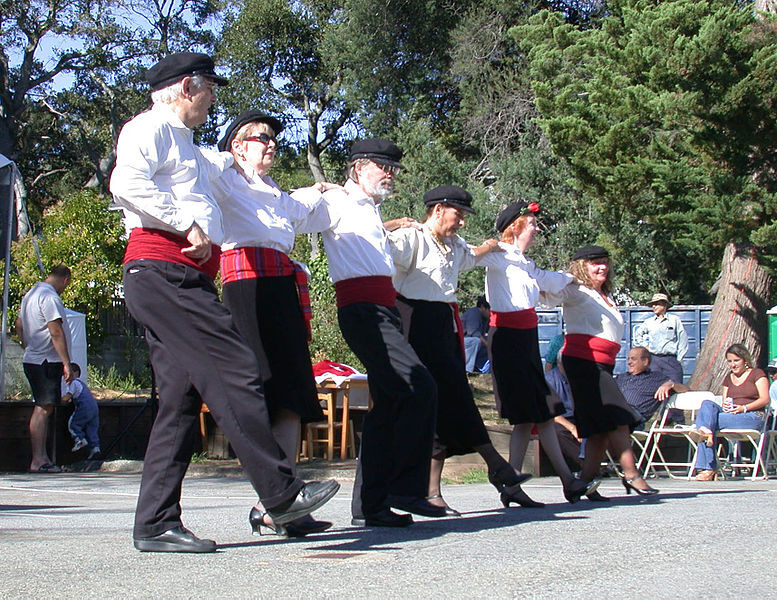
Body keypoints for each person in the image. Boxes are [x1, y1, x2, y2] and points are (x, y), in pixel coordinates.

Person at [109, 52, 338, 553]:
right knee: (235, 364)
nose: (214, 101)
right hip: (161, 269)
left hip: (180, 274)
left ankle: (155, 523)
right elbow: (124, 184)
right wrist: (184, 222)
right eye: (211, 89)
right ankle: (280, 494)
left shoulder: (187, 146)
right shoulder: (148, 127)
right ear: (189, 85)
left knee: (181, 400)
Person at [212, 110, 341, 537]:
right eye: (260, 138)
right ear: (236, 146)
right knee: (258, 388)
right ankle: (277, 499)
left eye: (273, 139)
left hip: (281, 285)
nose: (270, 144)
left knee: (292, 392)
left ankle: (281, 505)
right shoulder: (225, 179)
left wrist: (324, 189)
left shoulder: (275, 192)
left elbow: (303, 208)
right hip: (246, 287)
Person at [317, 138, 440, 528]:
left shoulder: (369, 210)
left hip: (382, 309)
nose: (390, 174)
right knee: (419, 385)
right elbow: (294, 211)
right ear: (357, 168)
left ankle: (371, 505)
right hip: (362, 310)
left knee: (388, 402)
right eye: (381, 167)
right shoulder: (336, 201)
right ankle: (404, 489)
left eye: (393, 169)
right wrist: (315, 189)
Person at [388, 185, 533, 514]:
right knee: (449, 397)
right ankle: (496, 466)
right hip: (415, 324)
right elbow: (377, 252)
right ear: (438, 210)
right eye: (458, 215)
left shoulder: (452, 245)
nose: (462, 223)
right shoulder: (412, 238)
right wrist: (386, 226)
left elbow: (473, 255)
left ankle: (440, 488)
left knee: (450, 398)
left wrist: (494, 245)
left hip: (442, 325)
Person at [479, 202, 596, 506]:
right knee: (534, 411)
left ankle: (516, 483)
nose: (536, 229)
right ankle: (564, 482)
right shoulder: (498, 256)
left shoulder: (525, 263)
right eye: (531, 223)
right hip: (507, 338)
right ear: (515, 227)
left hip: (526, 337)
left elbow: (549, 280)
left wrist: (576, 276)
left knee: (537, 413)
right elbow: (468, 256)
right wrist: (487, 245)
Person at [544, 245, 658, 496]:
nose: (602, 267)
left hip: (603, 363)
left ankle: (584, 483)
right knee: (618, 416)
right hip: (584, 362)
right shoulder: (574, 289)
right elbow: (545, 294)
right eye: (594, 263)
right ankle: (631, 473)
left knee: (597, 427)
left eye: (605, 262)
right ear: (580, 266)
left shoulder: (605, 295)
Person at [16, 264, 73, 473]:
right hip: (46, 361)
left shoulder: (30, 294)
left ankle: (42, 457)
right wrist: (66, 362)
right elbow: (55, 331)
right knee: (43, 408)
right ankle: (39, 460)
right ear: (65, 279)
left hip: (33, 358)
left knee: (44, 407)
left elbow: (19, 324)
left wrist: (28, 344)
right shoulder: (49, 297)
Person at [688, 344, 769, 481]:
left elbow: (765, 399)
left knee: (705, 424)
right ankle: (705, 432)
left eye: (736, 360)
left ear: (745, 360)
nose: (732, 364)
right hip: (731, 415)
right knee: (707, 405)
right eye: (730, 361)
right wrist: (726, 407)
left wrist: (744, 408)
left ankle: (708, 467)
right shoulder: (728, 377)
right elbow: (726, 401)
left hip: (752, 415)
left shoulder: (757, 374)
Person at [615, 346, 689, 428]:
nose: (629, 362)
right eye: (628, 359)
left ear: (645, 361)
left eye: (633, 359)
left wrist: (671, 384)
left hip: (634, 417)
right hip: (615, 411)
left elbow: (686, 390)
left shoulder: (656, 378)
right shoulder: (621, 377)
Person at [633, 293, 688, 383]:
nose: (654, 306)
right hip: (654, 360)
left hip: (671, 360)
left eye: (657, 304)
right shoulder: (649, 322)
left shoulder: (674, 320)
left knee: (675, 387)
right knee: (653, 388)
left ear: (664, 305)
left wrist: (679, 358)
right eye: (652, 305)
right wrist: (646, 346)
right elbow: (637, 335)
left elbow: (683, 339)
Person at [61, 363, 101, 459]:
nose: (64, 377)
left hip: (85, 407)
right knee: (91, 428)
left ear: (74, 373)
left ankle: (79, 440)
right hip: (94, 407)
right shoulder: (82, 384)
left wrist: (59, 399)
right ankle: (95, 447)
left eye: (65, 374)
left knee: (73, 424)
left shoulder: (74, 383)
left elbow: (67, 397)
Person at [461, 296, 490, 373]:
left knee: (490, 341)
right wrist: (489, 346)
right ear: (483, 307)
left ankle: (480, 367)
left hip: (469, 346)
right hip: (459, 344)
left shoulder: (485, 318)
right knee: (476, 341)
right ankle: (466, 369)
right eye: (490, 310)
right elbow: (474, 333)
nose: (491, 313)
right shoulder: (473, 312)